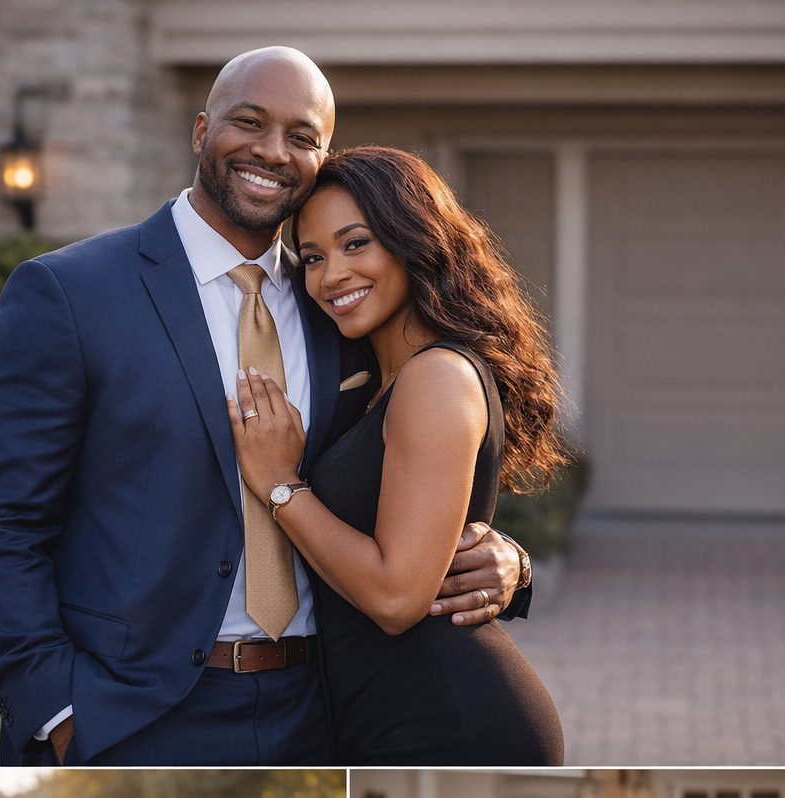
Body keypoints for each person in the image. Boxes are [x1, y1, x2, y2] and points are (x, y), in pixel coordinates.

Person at [0, 47, 530, 766]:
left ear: (322, 156)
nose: (271, 151)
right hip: (127, 720)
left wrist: (506, 558)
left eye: (301, 136)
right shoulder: (69, 295)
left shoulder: (341, 310)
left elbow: (406, 472)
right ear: (200, 132)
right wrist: (61, 713)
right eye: (248, 123)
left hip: (318, 715)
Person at [227, 145, 566, 765]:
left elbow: (394, 599)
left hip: (448, 724)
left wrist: (280, 486)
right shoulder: (369, 378)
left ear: (414, 238)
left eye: (356, 243)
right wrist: (511, 560)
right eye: (312, 258)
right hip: (378, 717)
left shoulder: (436, 377)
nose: (332, 276)